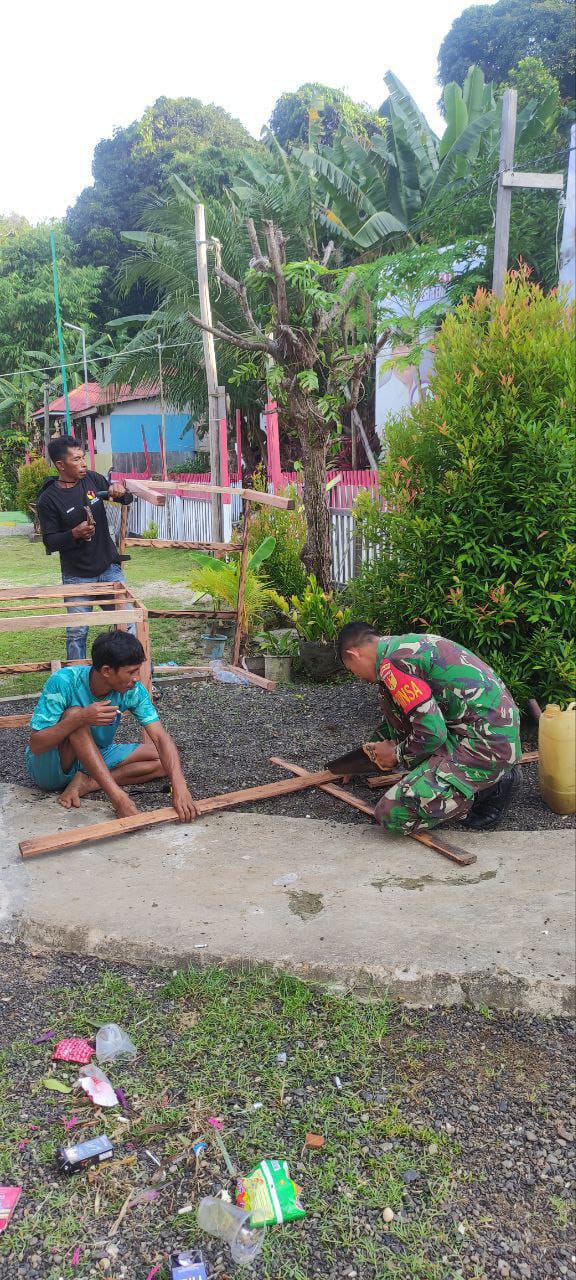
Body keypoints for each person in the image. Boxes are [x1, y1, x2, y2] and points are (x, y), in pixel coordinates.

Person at [337, 622, 521, 834]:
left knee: (392, 815)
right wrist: (366, 756)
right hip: (487, 733)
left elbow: (432, 733)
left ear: (354, 654)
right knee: (391, 702)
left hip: (486, 746)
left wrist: (395, 754)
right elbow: (405, 718)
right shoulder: (402, 648)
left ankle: (490, 788)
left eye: (351, 670)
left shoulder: (393, 664)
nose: (357, 677)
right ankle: (476, 776)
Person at [25, 629, 196, 821]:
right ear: (106, 671)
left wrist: (180, 786)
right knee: (74, 714)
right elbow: (36, 745)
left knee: (166, 760)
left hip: (95, 754)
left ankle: (88, 782)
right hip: (51, 768)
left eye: (138, 670)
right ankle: (116, 796)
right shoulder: (64, 681)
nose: (137, 678)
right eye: (131, 672)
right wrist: (81, 718)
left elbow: (160, 738)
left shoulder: (133, 690)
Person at [37, 437, 134, 661]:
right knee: (77, 633)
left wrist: (121, 491)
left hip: (109, 569)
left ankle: (141, 676)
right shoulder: (48, 499)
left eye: (83, 458)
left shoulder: (92, 479)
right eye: (76, 459)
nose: (83, 464)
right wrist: (74, 533)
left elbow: (125, 499)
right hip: (77, 577)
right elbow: (50, 542)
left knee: (130, 623)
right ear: (60, 465)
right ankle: (76, 678)